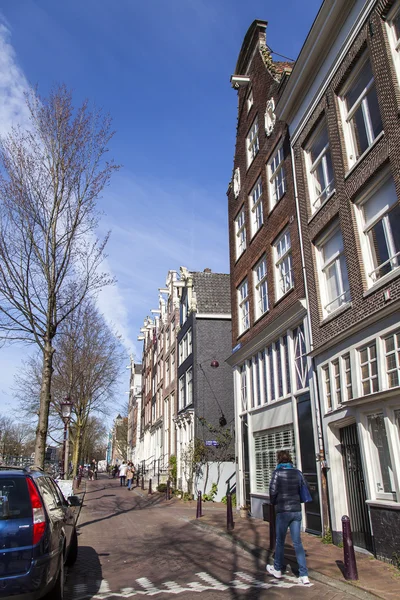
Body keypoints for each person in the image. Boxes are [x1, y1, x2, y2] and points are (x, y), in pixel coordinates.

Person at [266, 450, 310, 585]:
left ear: (278, 460)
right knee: (297, 542)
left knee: (280, 540)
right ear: (290, 460)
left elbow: (272, 491)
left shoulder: (277, 473)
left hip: (283, 510)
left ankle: (278, 569)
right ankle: (304, 575)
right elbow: (304, 487)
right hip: (296, 510)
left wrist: (274, 502)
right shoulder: (298, 473)